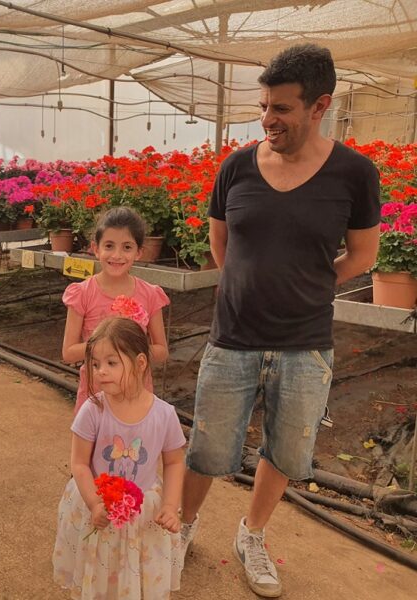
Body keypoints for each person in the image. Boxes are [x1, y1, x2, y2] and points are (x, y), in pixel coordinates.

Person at [180, 44, 380, 598]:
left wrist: (309, 284)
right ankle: (183, 527)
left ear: (320, 107)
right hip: (232, 338)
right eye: (264, 106)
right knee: (208, 449)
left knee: (286, 452)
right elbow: (221, 245)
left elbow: (363, 255)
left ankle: (252, 534)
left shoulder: (354, 173)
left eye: (282, 109)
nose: (268, 119)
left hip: (305, 343)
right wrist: (249, 287)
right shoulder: (236, 167)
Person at [53, 316, 186, 599]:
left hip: (143, 512)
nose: (101, 371)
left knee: (133, 571)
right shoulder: (93, 410)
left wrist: (170, 505)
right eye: (95, 364)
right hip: (97, 506)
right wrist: (94, 503)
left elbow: (174, 461)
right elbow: (79, 463)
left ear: (140, 363)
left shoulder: (164, 415)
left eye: (111, 363)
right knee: (99, 567)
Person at [62, 207, 169, 413]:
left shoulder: (150, 294)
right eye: (109, 246)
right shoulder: (82, 293)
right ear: (96, 248)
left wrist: (130, 350)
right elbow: (68, 352)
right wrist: (108, 347)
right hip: (96, 399)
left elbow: (162, 351)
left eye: (127, 247)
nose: (117, 255)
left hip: (137, 398)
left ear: (139, 252)